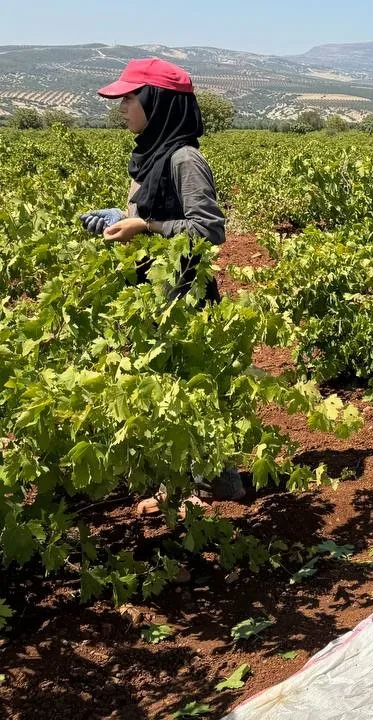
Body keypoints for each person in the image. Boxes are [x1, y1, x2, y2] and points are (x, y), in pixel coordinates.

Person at [78, 57, 243, 514]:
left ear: (157, 102)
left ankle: (214, 485)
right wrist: (119, 220)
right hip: (152, 293)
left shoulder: (184, 158)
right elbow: (148, 214)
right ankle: (177, 481)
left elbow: (209, 231)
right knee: (162, 387)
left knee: (193, 387)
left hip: (184, 295)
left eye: (130, 98)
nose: (123, 107)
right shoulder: (148, 154)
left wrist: (145, 228)